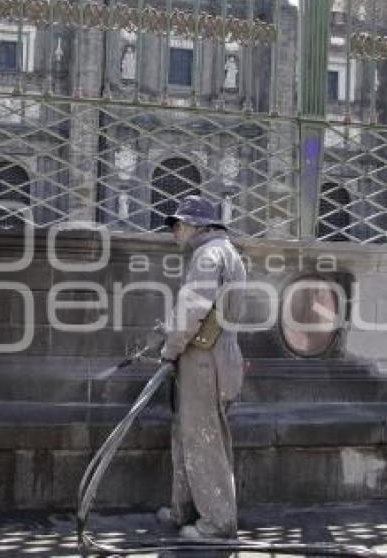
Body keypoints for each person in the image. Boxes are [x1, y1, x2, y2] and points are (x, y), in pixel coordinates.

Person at [157, 195, 247, 540]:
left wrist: (171, 347)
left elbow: (193, 309)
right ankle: (184, 511)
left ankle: (218, 523)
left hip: (203, 363)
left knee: (203, 441)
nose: (175, 233)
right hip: (214, 360)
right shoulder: (226, 252)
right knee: (187, 436)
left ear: (194, 225)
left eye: (177, 226)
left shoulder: (207, 255)